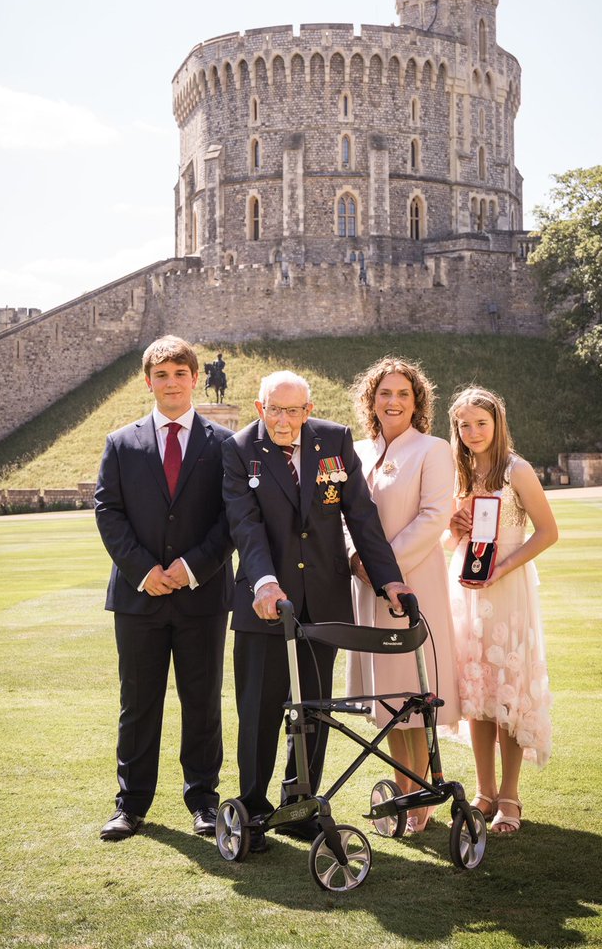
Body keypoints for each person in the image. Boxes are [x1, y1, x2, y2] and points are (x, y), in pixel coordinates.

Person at [222, 369, 412, 850]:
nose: (284, 421)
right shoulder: (239, 449)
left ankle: (299, 804)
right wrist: (265, 584)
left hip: (324, 601)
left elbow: (361, 516)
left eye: (294, 411)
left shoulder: (334, 440)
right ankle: (254, 809)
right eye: (274, 410)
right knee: (261, 710)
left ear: (308, 410)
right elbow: (246, 526)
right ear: (259, 407)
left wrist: (388, 578)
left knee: (314, 710)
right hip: (267, 606)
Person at [95, 335, 234, 841]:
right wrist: (144, 571)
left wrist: (191, 567)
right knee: (138, 701)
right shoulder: (121, 442)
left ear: (195, 378)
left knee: (202, 701)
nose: (171, 383)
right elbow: (108, 511)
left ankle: (203, 801)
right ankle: (130, 805)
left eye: (180, 373)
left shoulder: (222, 444)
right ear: (148, 381)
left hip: (202, 595)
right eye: (161, 375)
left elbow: (231, 517)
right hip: (138, 597)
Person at [346, 357, 461, 833]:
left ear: (417, 402)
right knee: (389, 700)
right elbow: (341, 516)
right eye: (384, 394)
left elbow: (434, 517)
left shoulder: (433, 450)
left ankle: (423, 794)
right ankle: (403, 791)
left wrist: (385, 569)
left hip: (413, 584)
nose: (393, 402)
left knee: (416, 692)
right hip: (366, 588)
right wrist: (357, 560)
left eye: (403, 394)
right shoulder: (355, 451)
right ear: (371, 400)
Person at [445, 386, 558, 835]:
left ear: (497, 423)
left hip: (507, 589)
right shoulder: (460, 469)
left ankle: (510, 795)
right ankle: (484, 790)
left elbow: (548, 532)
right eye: (465, 425)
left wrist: (504, 569)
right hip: (469, 587)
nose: (473, 432)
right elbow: (453, 539)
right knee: (478, 691)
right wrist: (454, 529)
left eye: (481, 423)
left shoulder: (517, 470)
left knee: (508, 687)